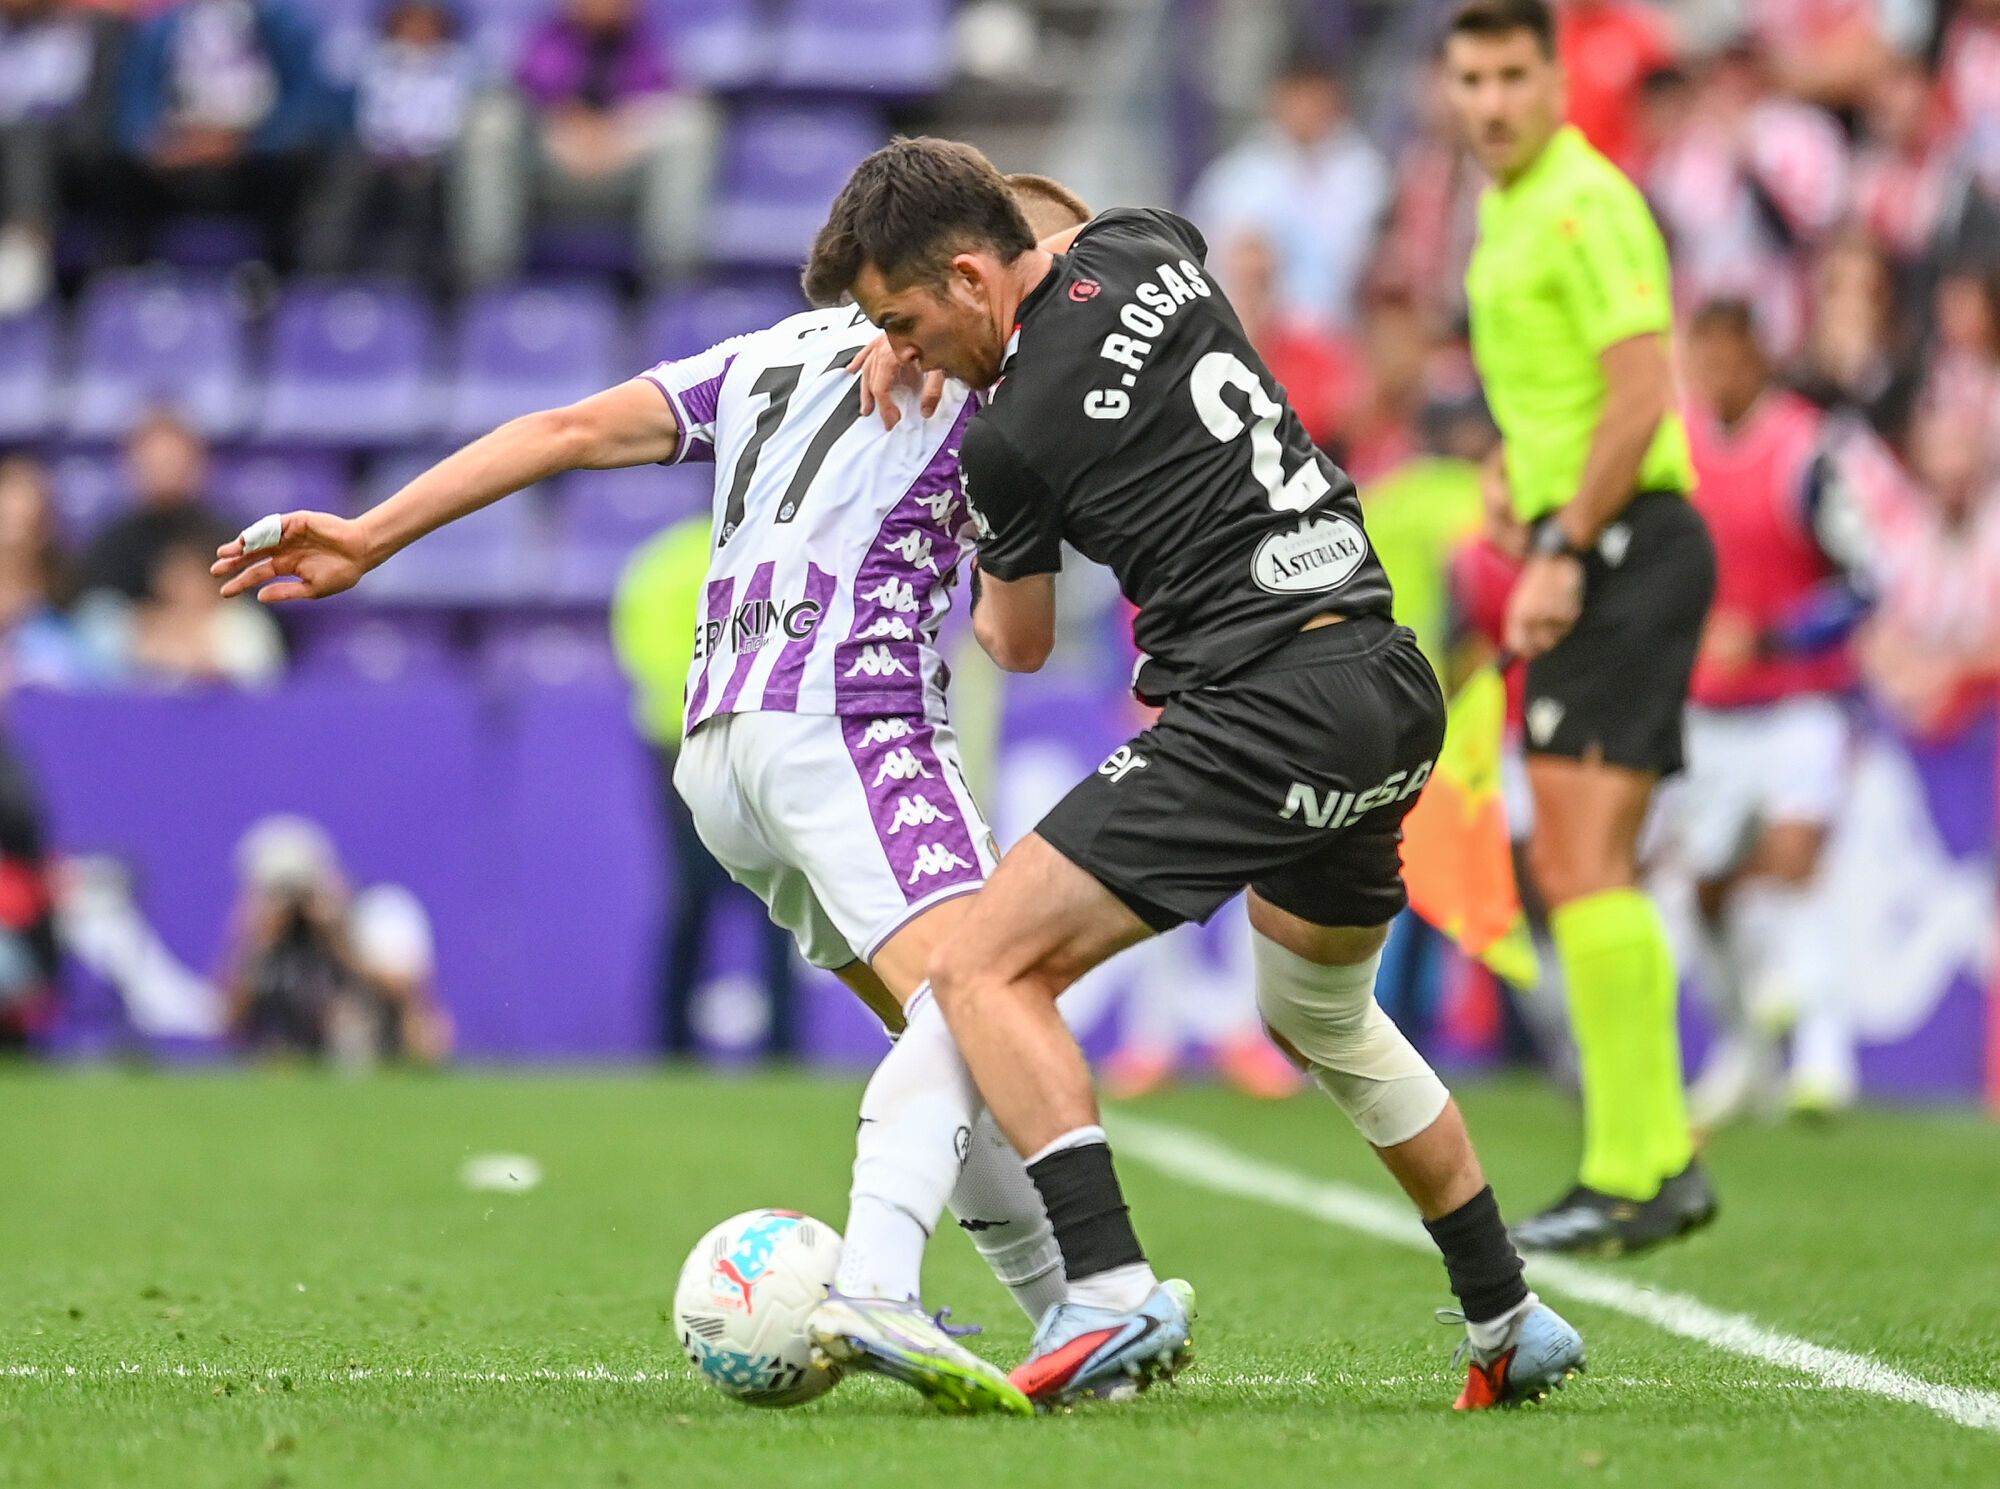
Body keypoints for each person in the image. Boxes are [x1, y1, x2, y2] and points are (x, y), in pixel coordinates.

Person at [213, 166, 1099, 1420]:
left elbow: (565, 430)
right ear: (975, 262)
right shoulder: (1003, 382)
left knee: (947, 1033)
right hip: (851, 715)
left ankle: (1068, 1316)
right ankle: (887, 1283)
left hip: (720, 747)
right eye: (1049, 266)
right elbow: (1016, 642)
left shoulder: (776, 350)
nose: (1061, 297)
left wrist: (372, 532)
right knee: (981, 995)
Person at [808, 136, 1583, 1411]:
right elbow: (1061, 242)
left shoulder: (1006, 438)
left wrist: (963, 454)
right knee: (1323, 1015)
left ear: (961, 274)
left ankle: (1106, 1288)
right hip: (1382, 684)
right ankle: (1506, 1311)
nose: (911, 350)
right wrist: (944, 325)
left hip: (1257, 700)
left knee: (983, 964)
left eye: (904, 321)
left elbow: (1018, 639)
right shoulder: (1145, 244)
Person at [1444, 0, 1718, 1253]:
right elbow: (1563, 397)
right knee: (1579, 861)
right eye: (1469, 79)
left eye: (1511, 75)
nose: (1490, 100)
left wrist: (1558, 543)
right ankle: (1654, 1158)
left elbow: (1640, 393)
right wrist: (1515, 469)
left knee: (1580, 859)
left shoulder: (1584, 202)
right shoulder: (1504, 210)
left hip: (1625, 546)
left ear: (1555, 80)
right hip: (1595, 539)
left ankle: (1630, 1168)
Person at [1672, 299, 1873, 1126]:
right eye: (1702, 359)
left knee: (1794, 854)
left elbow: (1865, 582)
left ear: (1759, 357)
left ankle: (1824, 1055)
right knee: (1708, 889)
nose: (1715, 376)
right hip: (1710, 711)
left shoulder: (1806, 452)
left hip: (1799, 699)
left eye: (1728, 359)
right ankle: (1743, 1044)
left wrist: (1774, 637)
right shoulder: (1676, 451)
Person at [611, 513, 799, 1060]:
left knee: (691, 902)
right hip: (752, 741)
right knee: (780, 901)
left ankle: (674, 1045)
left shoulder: (661, 561)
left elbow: (636, 646)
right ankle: (782, 1049)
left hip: (678, 746)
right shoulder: (769, 554)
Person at [459, 0, 712, 284]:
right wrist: (565, 120)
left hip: (622, 168)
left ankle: (672, 286)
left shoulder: (650, 47)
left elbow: (662, 95)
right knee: (490, 121)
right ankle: (485, 282)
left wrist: (613, 130)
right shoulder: (545, 40)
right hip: (549, 169)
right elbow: (533, 87)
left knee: (690, 125)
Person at [111, 0, 337, 270]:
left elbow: (306, 107)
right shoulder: (164, 28)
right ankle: (123, 283)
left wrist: (242, 143)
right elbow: (133, 113)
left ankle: (283, 282)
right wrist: (164, 146)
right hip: (179, 157)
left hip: (255, 158)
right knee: (117, 174)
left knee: (297, 168)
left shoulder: (281, 22)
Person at [1185, 55, 1389, 332]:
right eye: (1297, 97)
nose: (1306, 109)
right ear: (1277, 99)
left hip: (1346, 333)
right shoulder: (1238, 176)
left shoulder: (1366, 175)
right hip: (1256, 334)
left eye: (1315, 97)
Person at [300, 0, 478, 285]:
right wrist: (389, 149)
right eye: (411, 21)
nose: (418, 30)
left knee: (424, 189)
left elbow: (455, 121)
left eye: (427, 22)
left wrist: (424, 152)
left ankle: (422, 287)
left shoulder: (459, 65)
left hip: (438, 160)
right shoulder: (377, 60)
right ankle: (320, 276)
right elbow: (370, 116)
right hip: (380, 154)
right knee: (348, 169)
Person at [78, 409, 234, 603]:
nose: (164, 471)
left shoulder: (227, 539)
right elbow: (96, 613)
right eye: (154, 461)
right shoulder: (111, 545)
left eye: (172, 460)